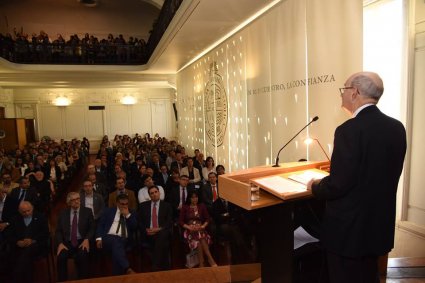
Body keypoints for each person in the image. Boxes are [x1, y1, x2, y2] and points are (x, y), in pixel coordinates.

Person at [307, 72, 406, 283]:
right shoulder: (397, 128)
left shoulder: (349, 130)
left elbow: (338, 184)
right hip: (377, 226)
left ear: (355, 93)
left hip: (349, 232)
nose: (341, 95)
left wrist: (314, 186)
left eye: (344, 89)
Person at [55, 192, 95, 281]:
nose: (77, 201)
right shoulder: (63, 213)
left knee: (82, 255)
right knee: (61, 257)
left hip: (82, 241)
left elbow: (92, 228)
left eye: (78, 199)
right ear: (69, 202)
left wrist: (87, 239)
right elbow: (58, 231)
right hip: (67, 242)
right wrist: (60, 243)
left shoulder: (87, 211)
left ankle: (83, 280)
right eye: (73, 200)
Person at [96, 193, 137, 275]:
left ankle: (117, 276)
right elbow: (101, 225)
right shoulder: (108, 211)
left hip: (124, 239)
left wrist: (128, 215)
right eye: (122, 204)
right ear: (117, 203)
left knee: (117, 247)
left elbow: (135, 227)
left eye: (126, 204)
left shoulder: (132, 212)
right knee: (116, 241)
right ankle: (127, 268)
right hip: (108, 237)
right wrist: (98, 238)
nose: (125, 206)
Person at [7, 201, 49, 282]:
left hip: (37, 245)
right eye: (24, 212)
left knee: (27, 252)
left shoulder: (41, 217)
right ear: (19, 211)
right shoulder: (15, 219)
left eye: (28, 210)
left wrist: (32, 240)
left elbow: (45, 234)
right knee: (18, 255)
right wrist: (17, 242)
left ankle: (18, 276)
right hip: (19, 247)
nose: (26, 213)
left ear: (32, 208)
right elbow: (10, 235)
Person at [138, 186, 173, 271]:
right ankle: (165, 266)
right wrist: (146, 230)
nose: (154, 194)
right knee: (163, 242)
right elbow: (140, 222)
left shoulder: (167, 205)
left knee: (162, 234)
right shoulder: (143, 206)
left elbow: (169, 221)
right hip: (148, 233)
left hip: (161, 231)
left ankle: (155, 265)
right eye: (152, 193)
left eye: (155, 192)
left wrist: (158, 229)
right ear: (149, 196)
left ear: (159, 193)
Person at [179, 190, 217, 267]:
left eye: (196, 197)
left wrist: (202, 226)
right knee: (199, 237)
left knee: (199, 236)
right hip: (189, 231)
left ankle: (201, 263)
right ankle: (210, 260)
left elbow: (207, 219)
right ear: (189, 198)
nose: (195, 199)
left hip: (201, 229)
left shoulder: (202, 206)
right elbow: (181, 221)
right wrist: (189, 227)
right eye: (192, 197)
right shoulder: (185, 207)